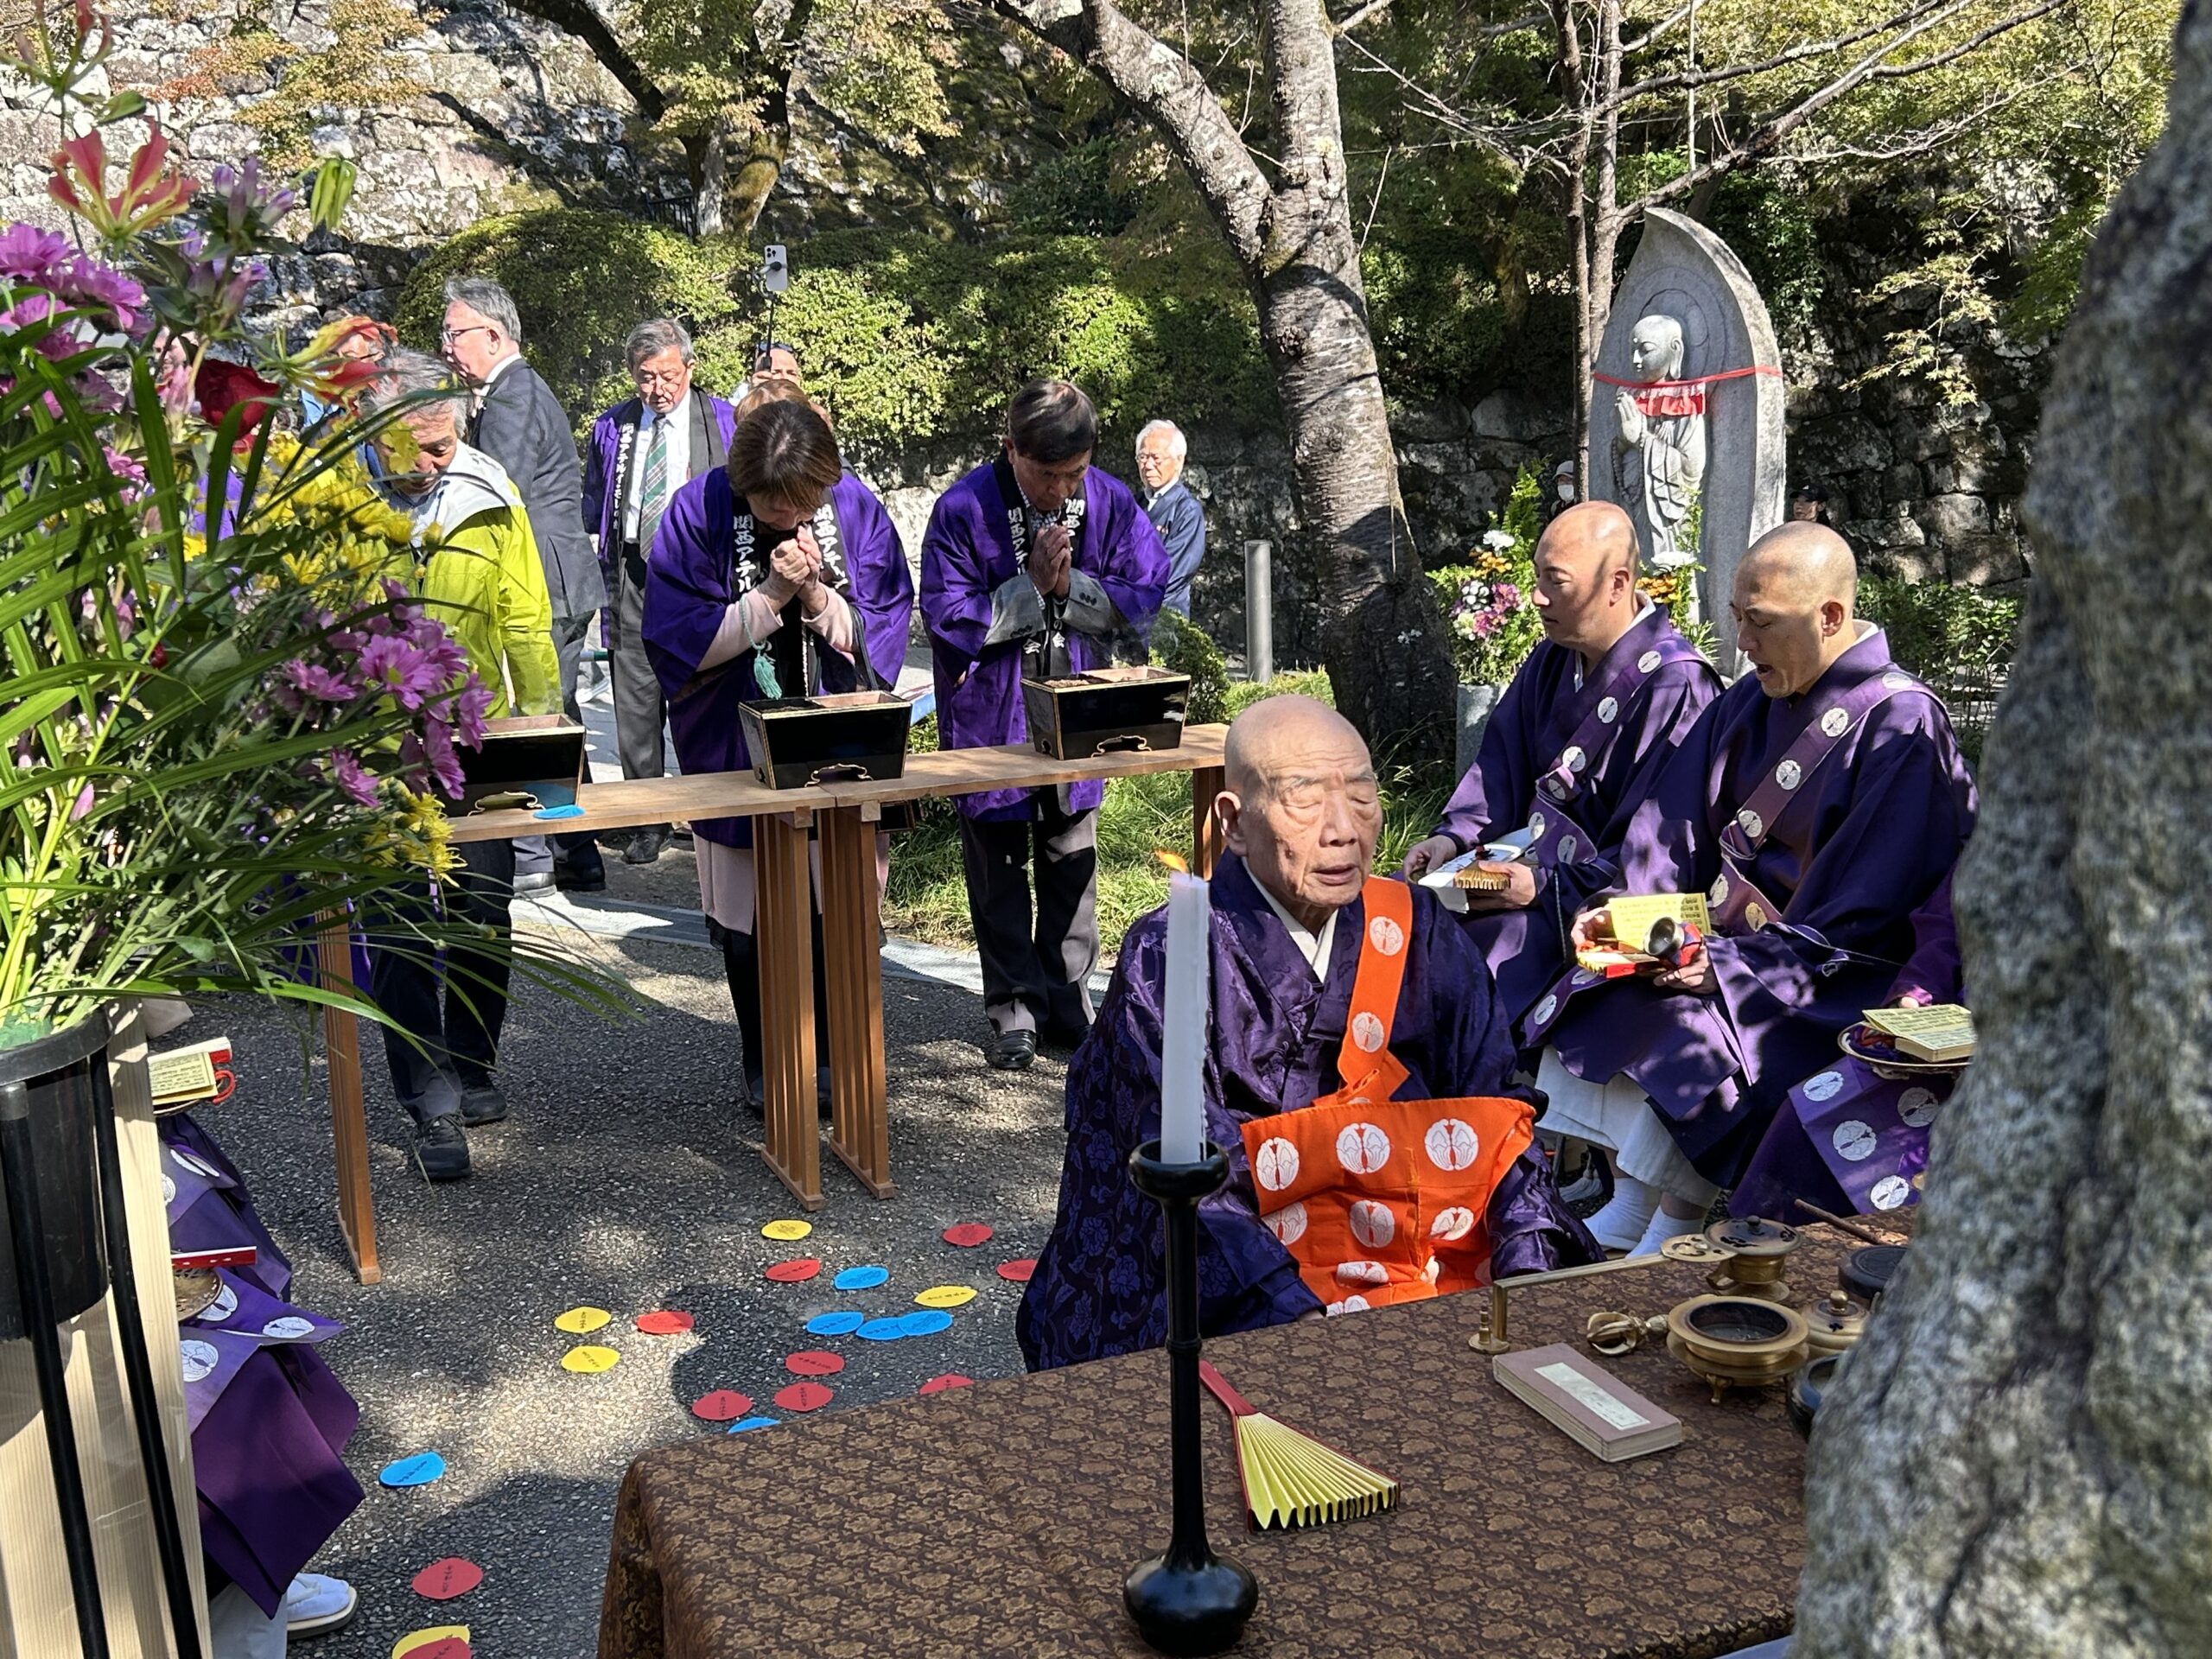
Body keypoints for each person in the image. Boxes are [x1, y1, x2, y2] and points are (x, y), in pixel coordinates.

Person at [1016, 696, 1598, 1370]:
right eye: (1305, 800)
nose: (1344, 830)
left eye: (1362, 797)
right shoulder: (1173, 954)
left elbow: (1500, 1121)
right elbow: (1187, 1184)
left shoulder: (1421, 931)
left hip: (1419, 1270)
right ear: (1232, 823)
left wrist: (1526, 1271)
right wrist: (1304, 1330)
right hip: (1255, 1287)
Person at [1520, 523, 1977, 1254]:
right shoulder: (1748, 700)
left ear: (1829, 617)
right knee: (1603, 965)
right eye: (1736, 618)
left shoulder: (1903, 722)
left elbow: (1869, 909)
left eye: (1759, 623)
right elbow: (1672, 824)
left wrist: (1726, 965)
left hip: (1825, 968)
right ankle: (1631, 1196)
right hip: (1726, 942)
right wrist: (1639, 915)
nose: (1742, 644)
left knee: (1694, 1014)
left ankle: (1673, 1219)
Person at [642, 395, 909, 1112]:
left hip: (838, 742)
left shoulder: (853, 509)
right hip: (733, 738)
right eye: (766, 505)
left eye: (798, 504)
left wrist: (817, 596)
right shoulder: (697, 512)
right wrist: (768, 594)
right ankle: (766, 1062)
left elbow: (879, 632)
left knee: (842, 909)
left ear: (825, 483)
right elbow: (678, 640)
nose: (783, 517)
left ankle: (839, 1055)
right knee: (747, 917)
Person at [919, 378, 1168, 1071]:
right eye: (1046, 475)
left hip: (1077, 704)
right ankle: (1013, 1007)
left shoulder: (1111, 500)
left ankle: (1066, 999)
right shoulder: (964, 507)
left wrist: (1073, 591)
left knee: (1071, 857)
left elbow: (1145, 589)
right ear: (1011, 449)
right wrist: (1031, 588)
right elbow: (945, 613)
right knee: (997, 866)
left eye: (1074, 474)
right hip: (991, 713)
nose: (1061, 490)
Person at [362, 349, 562, 1180]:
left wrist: (546, 730)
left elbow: (524, 616)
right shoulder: (327, 500)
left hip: (474, 735)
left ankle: (474, 1060)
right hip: (370, 748)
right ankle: (428, 1096)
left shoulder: (488, 490)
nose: (437, 462)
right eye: (420, 448)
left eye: (446, 443)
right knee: (403, 922)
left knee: (483, 901)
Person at [1401, 502, 1718, 1025]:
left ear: (1617, 584)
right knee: (1403, 914)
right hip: (1519, 869)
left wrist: (1546, 889)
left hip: (1589, 907)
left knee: (1477, 966)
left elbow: (1659, 854)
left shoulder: (1678, 684)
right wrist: (1454, 839)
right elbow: (1499, 765)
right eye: (1535, 578)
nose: (1537, 597)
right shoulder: (1554, 655)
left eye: (1556, 582)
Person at [441, 275, 607, 892]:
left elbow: (491, 485)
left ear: (492, 333)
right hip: (553, 573)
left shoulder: (512, 396)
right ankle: (576, 849)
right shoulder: (509, 390)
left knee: (537, 719)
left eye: (455, 333)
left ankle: (547, 852)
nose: (448, 346)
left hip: (543, 578)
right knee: (553, 715)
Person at [582, 319, 740, 867]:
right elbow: (595, 504)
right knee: (635, 699)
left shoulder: (719, 419)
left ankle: (712, 813)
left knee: (706, 692)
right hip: (633, 573)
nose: (659, 389)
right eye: (646, 378)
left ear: (689, 369)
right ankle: (646, 819)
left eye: (669, 376)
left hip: (701, 576)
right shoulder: (614, 426)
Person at [1730, 873, 1962, 1221]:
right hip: (1946, 1036)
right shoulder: (2007, 841)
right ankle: (1764, 1249)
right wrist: (1914, 1000)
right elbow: (1946, 929)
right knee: (1808, 1111)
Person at [1135, 418, 1205, 619]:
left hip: (1164, 619)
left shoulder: (1187, 511)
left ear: (1178, 460)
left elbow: (1170, 574)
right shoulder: (1134, 504)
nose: (1148, 465)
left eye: (1156, 458)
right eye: (1142, 457)